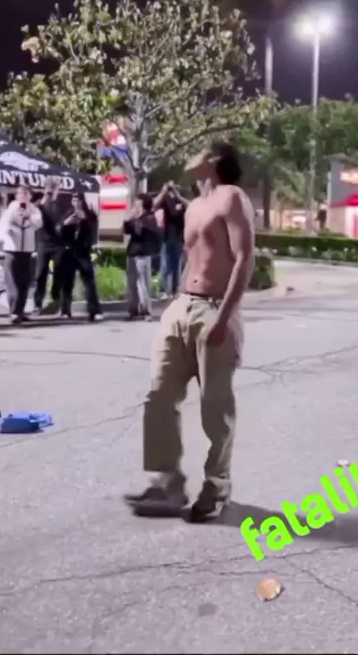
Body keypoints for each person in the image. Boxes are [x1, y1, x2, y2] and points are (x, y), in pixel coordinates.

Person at [129, 142, 255, 522]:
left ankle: (216, 487)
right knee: (159, 394)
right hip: (182, 305)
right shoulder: (196, 205)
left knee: (215, 406)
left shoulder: (231, 198)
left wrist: (223, 318)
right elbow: (192, 256)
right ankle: (167, 480)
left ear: (214, 161)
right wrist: (177, 301)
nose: (191, 157)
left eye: (200, 152)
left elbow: (244, 259)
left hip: (214, 308)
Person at [0, 185, 43, 324]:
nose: (23, 195)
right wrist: (8, 231)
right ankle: (13, 311)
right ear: (16, 195)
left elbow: (38, 224)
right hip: (12, 250)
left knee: (25, 282)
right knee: (13, 282)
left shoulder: (34, 209)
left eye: (26, 193)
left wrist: (29, 216)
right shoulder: (11, 208)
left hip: (27, 251)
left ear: (30, 196)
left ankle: (20, 311)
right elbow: (4, 225)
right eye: (20, 193)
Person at [59, 192, 103, 322]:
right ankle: (65, 310)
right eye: (74, 201)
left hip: (83, 252)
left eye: (78, 201)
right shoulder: (68, 213)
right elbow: (59, 232)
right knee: (67, 283)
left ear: (83, 201)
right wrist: (65, 224)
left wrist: (85, 220)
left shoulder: (90, 215)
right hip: (70, 252)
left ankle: (94, 311)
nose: (76, 203)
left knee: (89, 283)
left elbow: (93, 232)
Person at [124, 194, 161, 320]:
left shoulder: (150, 218)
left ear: (144, 206)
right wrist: (128, 220)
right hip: (132, 252)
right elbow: (126, 230)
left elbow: (140, 230)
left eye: (138, 204)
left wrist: (134, 220)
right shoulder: (136, 218)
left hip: (143, 254)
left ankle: (146, 311)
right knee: (131, 283)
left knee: (143, 284)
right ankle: (133, 310)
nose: (135, 207)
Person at [153, 182, 188, 298]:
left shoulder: (181, 201)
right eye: (171, 190)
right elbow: (154, 205)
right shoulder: (166, 201)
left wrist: (178, 196)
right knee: (165, 265)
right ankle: (164, 290)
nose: (172, 191)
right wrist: (163, 192)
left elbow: (190, 205)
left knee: (177, 266)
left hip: (179, 238)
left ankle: (175, 290)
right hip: (167, 237)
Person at [34, 178, 63, 313]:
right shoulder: (39, 204)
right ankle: (38, 302)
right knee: (41, 273)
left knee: (59, 272)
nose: (52, 192)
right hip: (43, 243)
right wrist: (45, 198)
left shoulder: (60, 206)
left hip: (57, 244)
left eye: (54, 189)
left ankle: (55, 297)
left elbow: (62, 222)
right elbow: (35, 214)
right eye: (49, 188)